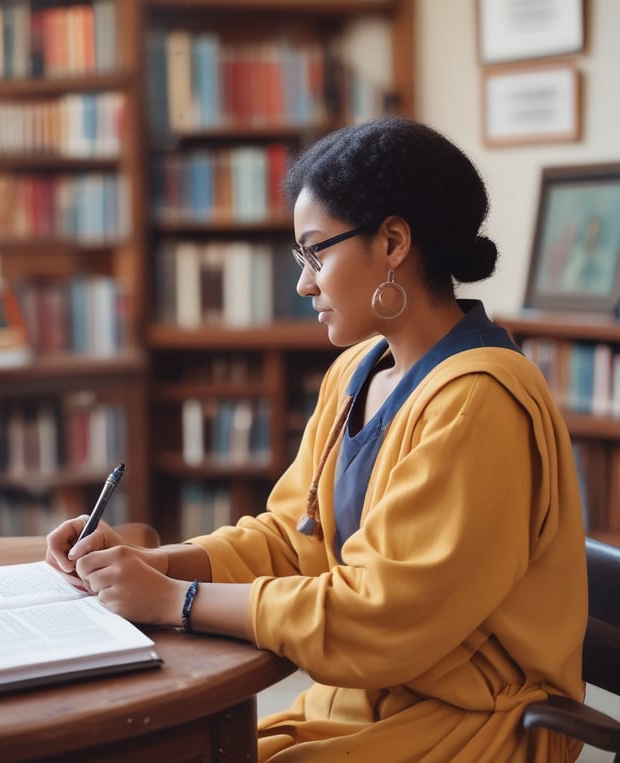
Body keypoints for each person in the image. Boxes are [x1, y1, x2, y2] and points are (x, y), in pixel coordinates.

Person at [46, 116, 588, 762]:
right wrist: (155, 565)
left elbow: (382, 616)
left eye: (316, 253)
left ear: (393, 242)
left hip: (473, 723)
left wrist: (176, 601)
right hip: (363, 701)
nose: (304, 283)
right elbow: (290, 537)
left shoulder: (477, 402)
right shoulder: (356, 371)